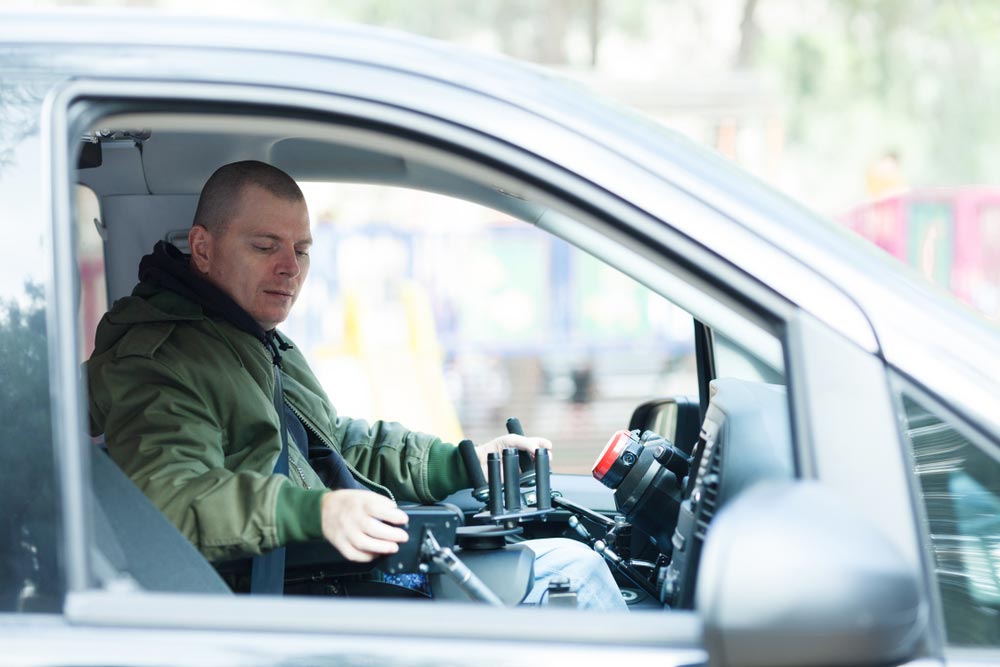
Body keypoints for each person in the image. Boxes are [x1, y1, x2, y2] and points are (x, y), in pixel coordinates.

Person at [87, 160, 625, 611]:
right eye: (264, 246)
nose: (289, 269)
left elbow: (336, 442)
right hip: (289, 596)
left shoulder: (252, 338)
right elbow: (171, 497)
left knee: (549, 554)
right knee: (572, 573)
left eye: (300, 250)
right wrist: (315, 512)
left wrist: (463, 462)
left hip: (338, 572)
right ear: (202, 249)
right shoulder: (159, 359)